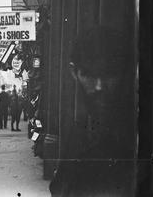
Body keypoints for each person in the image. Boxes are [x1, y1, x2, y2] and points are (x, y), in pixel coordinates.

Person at [49, 26, 135, 196]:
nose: (99, 86)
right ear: (75, 73)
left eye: (109, 74)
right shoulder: (80, 127)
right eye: (90, 74)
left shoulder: (129, 133)